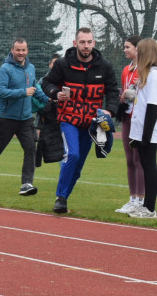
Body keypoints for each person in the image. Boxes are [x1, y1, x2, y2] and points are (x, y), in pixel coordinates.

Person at [41, 27, 119, 214]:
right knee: (72, 155)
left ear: (94, 43)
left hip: (92, 123)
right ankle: (60, 197)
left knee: (78, 166)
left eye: (89, 42)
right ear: (75, 43)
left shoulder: (104, 66)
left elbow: (113, 91)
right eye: (82, 42)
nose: (86, 46)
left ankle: (64, 198)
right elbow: (46, 83)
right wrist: (55, 93)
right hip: (69, 119)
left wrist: (109, 111)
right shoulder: (62, 64)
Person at [0, 38, 48, 197]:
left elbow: (35, 88)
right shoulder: (5, 69)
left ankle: (26, 184)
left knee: (31, 147)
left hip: (25, 118)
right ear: (12, 50)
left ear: (27, 50)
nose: (21, 53)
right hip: (5, 118)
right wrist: (22, 92)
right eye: (18, 50)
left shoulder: (31, 68)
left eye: (23, 50)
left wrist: (49, 99)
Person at [126, 39, 157, 220]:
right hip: (141, 128)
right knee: (144, 164)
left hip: (148, 129)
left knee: (150, 165)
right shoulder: (147, 73)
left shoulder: (155, 74)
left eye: (140, 51)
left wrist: (145, 136)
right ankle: (145, 205)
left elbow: (153, 107)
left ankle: (150, 208)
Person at [115, 35, 146, 214]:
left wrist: (132, 92)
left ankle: (141, 200)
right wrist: (123, 95)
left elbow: (143, 93)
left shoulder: (145, 69)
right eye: (125, 47)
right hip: (127, 116)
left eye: (128, 47)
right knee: (129, 158)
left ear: (137, 48)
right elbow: (126, 91)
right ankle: (132, 198)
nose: (125, 50)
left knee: (138, 158)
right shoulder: (127, 69)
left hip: (139, 118)